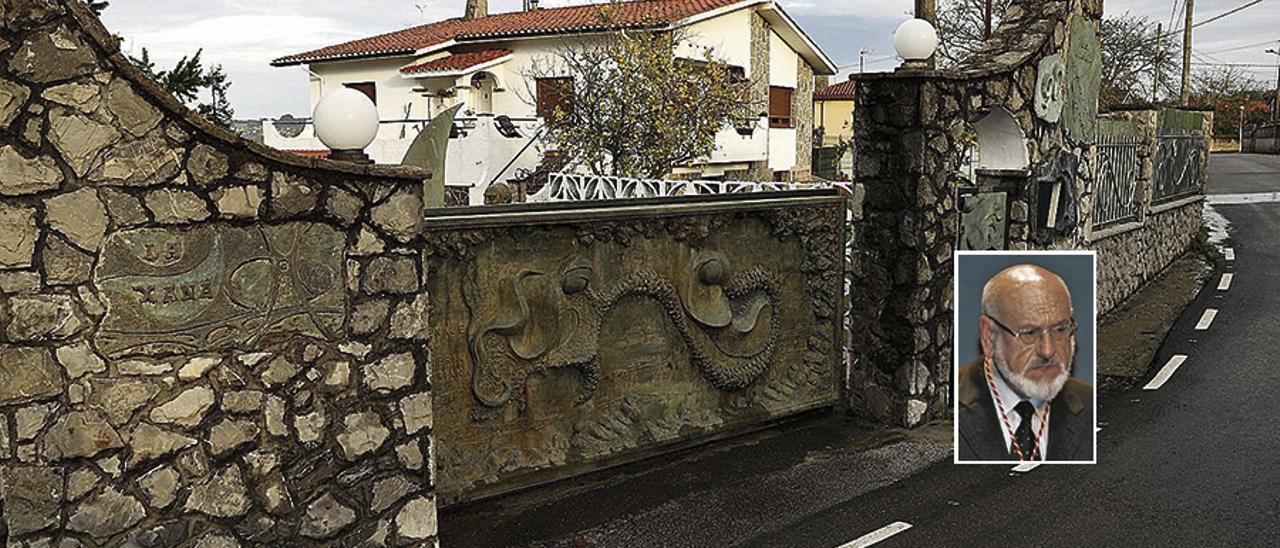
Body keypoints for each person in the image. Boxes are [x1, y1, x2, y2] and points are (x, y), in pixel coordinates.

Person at [957, 263, 1094, 462]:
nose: (1048, 351)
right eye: (1029, 333)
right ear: (988, 336)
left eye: (1060, 330)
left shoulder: (1089, 402)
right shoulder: (955, 403)